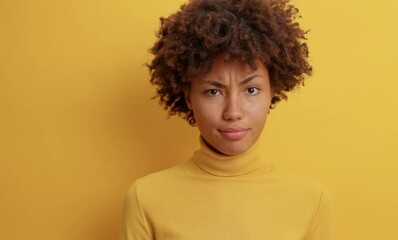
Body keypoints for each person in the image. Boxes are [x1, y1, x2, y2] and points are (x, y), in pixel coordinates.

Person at [120, 0, 334, 239]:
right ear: (188, 97)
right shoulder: (146, 199)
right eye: (214, 91)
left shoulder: (312, 201)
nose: (233, 111)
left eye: (251, 90)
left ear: (272, 91)